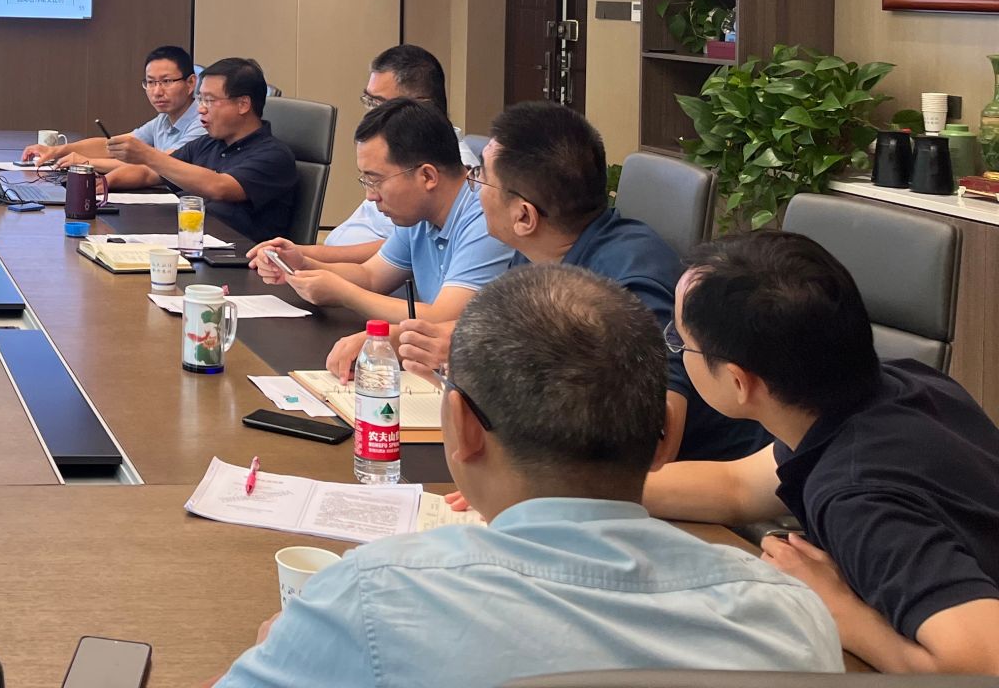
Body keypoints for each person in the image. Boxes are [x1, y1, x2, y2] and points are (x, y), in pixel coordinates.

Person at [211, 266, 839, 688]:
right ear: (662, 440)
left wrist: (290, 645)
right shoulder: (791, 620)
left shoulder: (368, 601)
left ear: (462, 426)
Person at [642, 230, 999, 675]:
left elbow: (983, 667)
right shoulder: (898, 385)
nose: (676, 349)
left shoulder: (858, 498)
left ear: (738, 382)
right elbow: (737, 486)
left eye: (680, 341)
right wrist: (578, 479)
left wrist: (841, 611)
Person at [392, 101, 763, 463]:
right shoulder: (540, 250)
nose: (474, 187)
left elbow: (652, 445)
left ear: (524, 216)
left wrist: (479, 363)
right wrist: (408, 341)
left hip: (692, 481)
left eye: (480, 176)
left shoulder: (630, 289)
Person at [253, 97, 514, 377]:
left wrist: (344, 293)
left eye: (376, 180)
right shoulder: (419, 214)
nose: (370, 195)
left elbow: (442, 319)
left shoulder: (486, 217)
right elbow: (371, 276)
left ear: (428, 176)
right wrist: (303, 263)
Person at [252, 44, 473, 273]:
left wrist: (309, 264)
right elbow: (372, 272)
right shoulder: (397, 158)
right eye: (368, 101)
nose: (370, 113)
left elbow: (391, 263)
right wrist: (301, 260)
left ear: (418, 106)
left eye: (378, 103)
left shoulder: (452, 179)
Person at [103, 57, 298, 238]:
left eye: (210, 100)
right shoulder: (208, 142)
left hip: (236, 254)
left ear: (243, 104)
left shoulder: (274, 156)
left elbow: (219, 187)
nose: (201, 109)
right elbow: (150, 173)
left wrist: (148, 155)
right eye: (200, 99)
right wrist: (104, 183)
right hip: (187, 239)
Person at [21, 45, 201, 166]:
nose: (157, 91)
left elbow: (161, 165)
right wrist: (56, 151)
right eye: (151, 82)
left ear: (191, 83)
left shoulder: (201, 122)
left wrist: (86, 163)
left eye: (166, 81)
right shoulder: (163, 120)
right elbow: (114, 147)